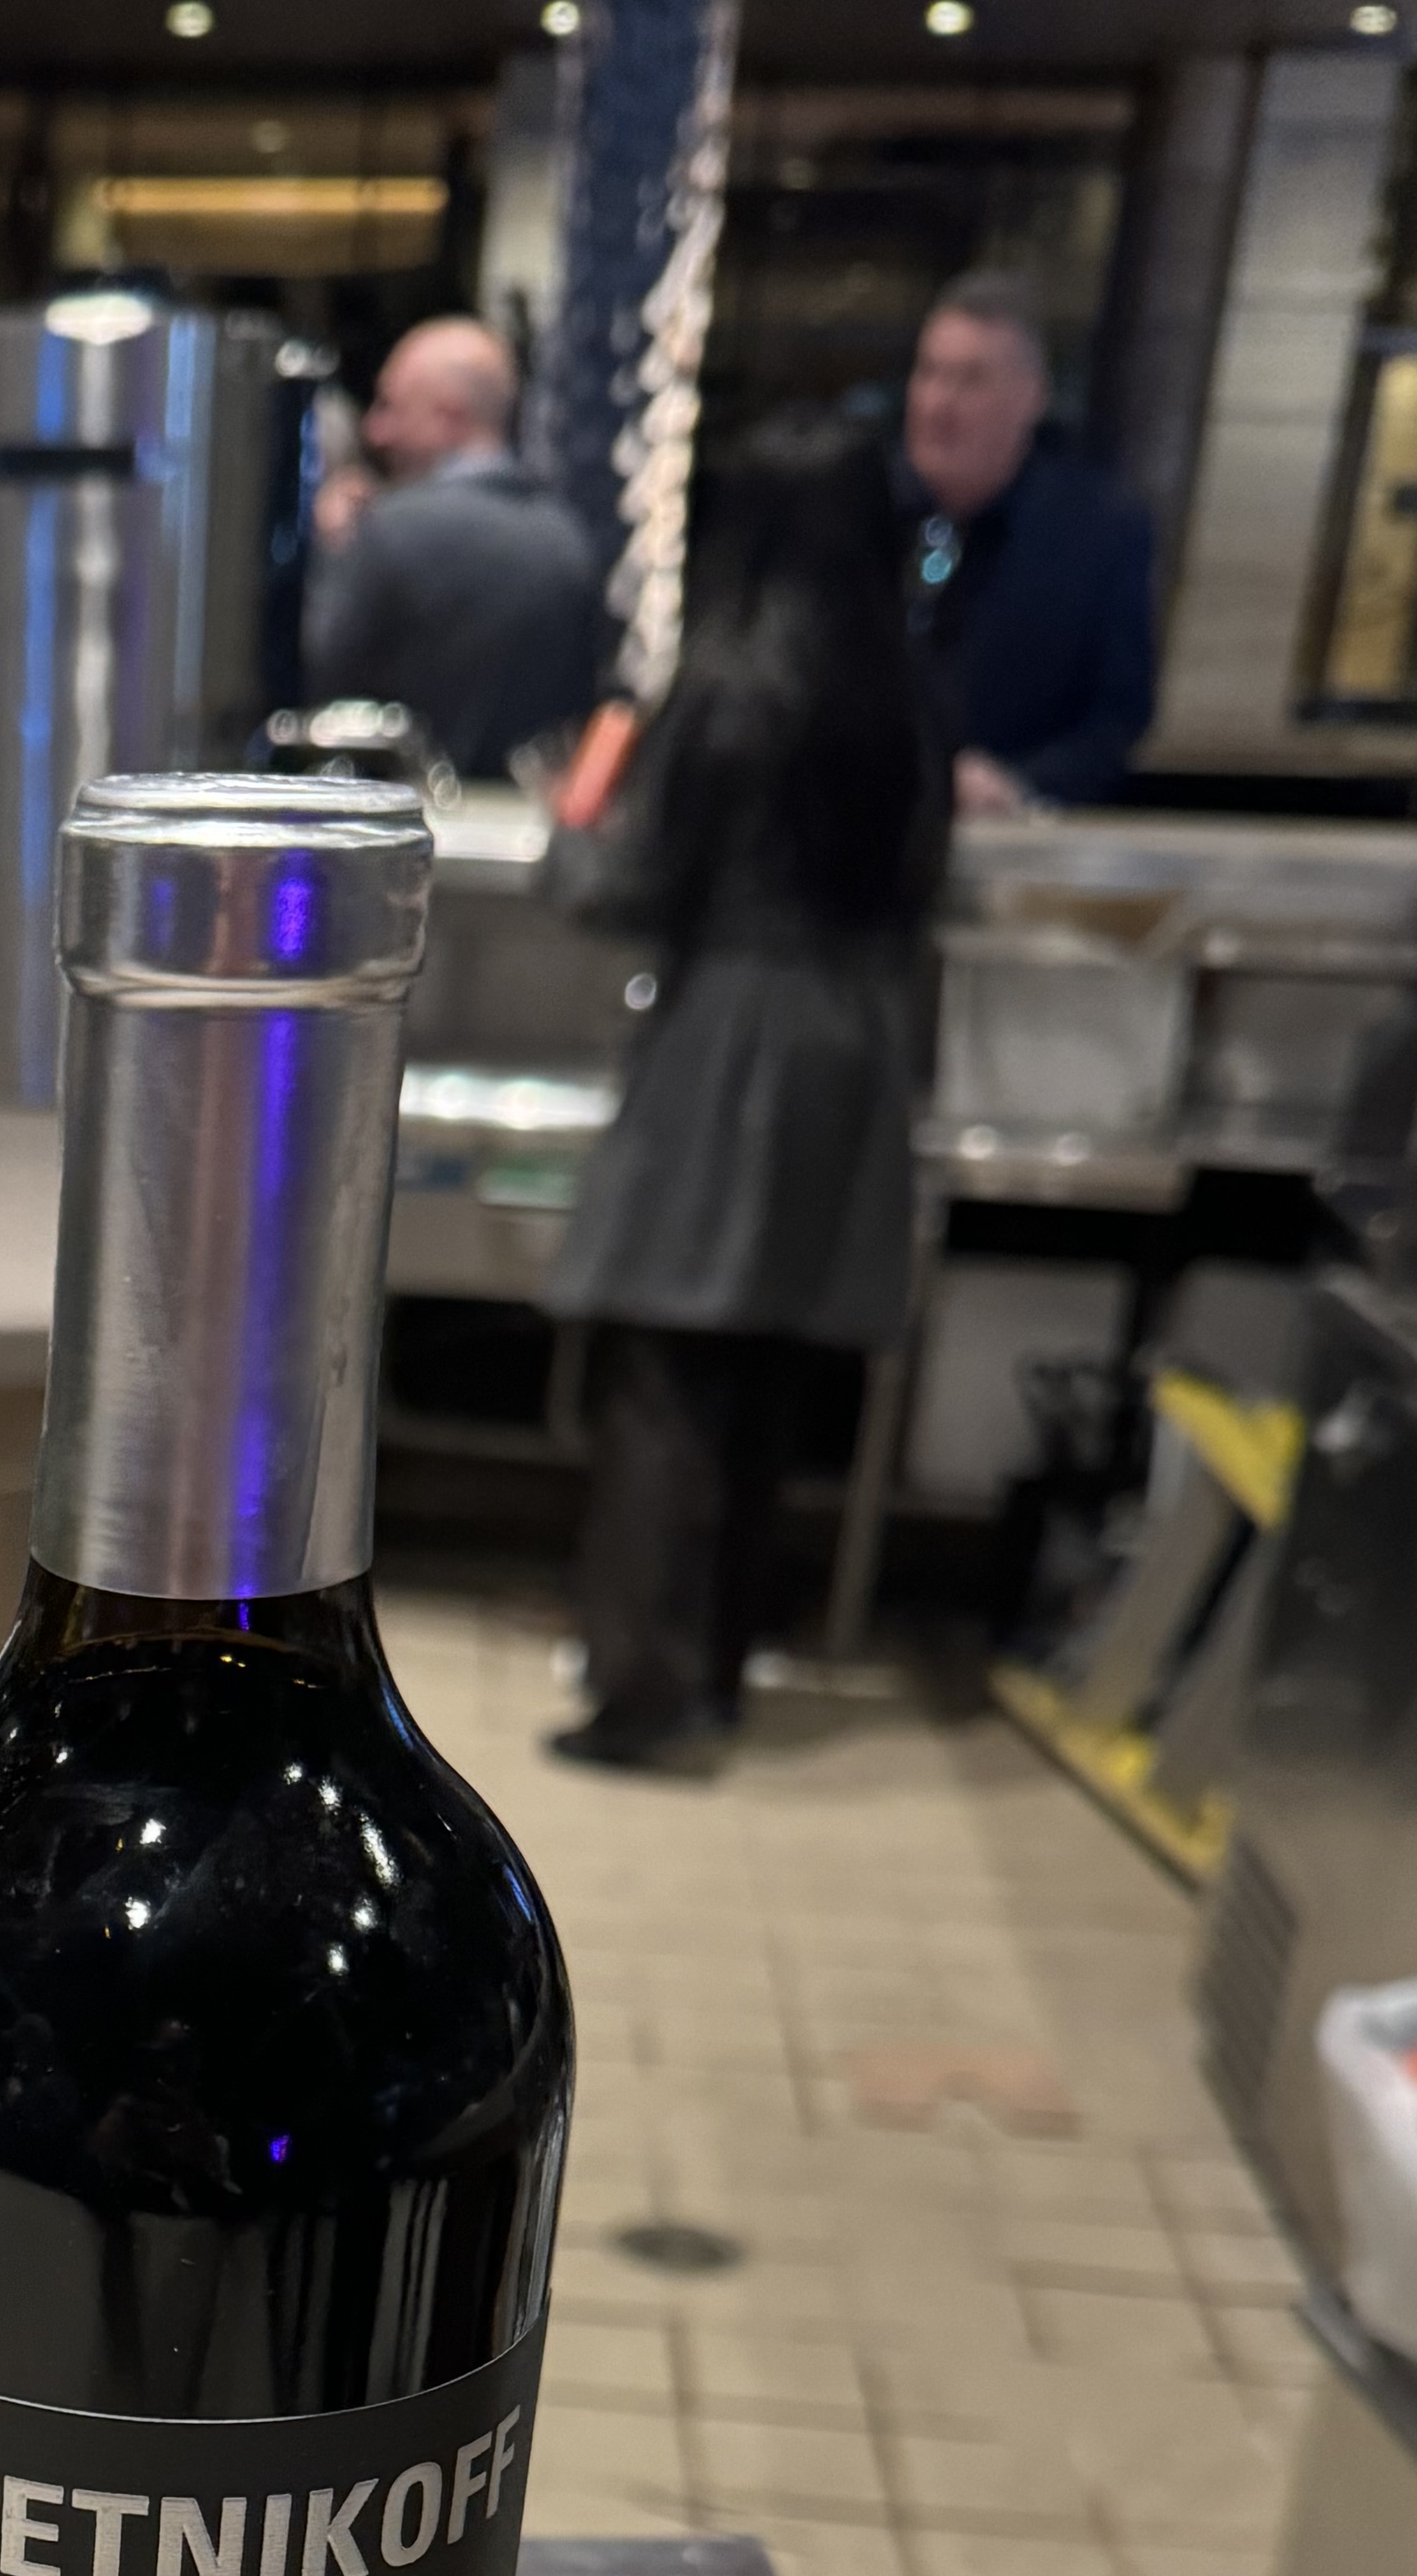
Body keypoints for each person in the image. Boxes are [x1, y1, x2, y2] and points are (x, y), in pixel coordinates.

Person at [539, 409, 949, 1774]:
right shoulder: (907, 698)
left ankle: (640, 1695)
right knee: (767, 1372)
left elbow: (630, 889)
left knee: (665, 1368)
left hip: (730, 1036)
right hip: (858, 1042)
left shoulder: (724, 687)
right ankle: (718, 1666)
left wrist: (568, 830)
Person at [302, 316, 606, 784]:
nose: (375, 431)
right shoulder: (569, 542)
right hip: (524, 816)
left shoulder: (387, 530)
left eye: (391, 407)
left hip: (402, 808)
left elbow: (315, 675)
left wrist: (327, 548)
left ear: (449, 416)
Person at [899, 275, 1155, 811]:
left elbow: (1116, 720)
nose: (939, 403)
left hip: (1005, 828)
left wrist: (1016, 786)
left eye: (970, 380)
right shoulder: (860, 513)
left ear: (1031, 398)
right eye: (930, 373)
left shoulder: (1099, 534)